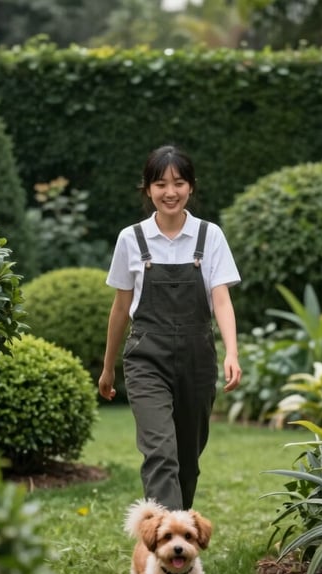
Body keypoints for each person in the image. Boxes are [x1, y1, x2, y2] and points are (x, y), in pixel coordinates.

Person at [98, 145, 242, 511]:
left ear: (191, 187)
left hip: (197, 358)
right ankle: (167, 546)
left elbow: (221, 298)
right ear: (147, 190)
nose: (170, 192)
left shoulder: (210, 237)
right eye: (160, 183)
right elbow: (120, 309)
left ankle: (176, 539)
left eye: (178, 182)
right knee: (161, 454)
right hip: (147, 358)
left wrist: (232, 353)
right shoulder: (131, 239)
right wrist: (108, 368)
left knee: (187, 463)